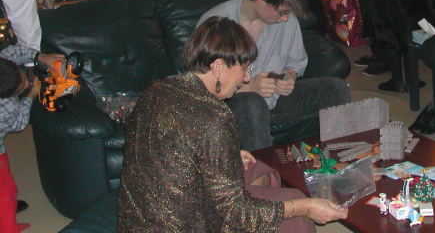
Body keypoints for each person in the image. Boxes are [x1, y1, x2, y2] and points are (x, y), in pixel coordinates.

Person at [118, 16, 348, 233]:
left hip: (137, 221)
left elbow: (166, 147)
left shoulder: (156, 90)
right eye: (244, 68)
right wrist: (306, 206)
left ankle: (264, 206)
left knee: (259, 167)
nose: (247, 78)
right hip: (186, 225)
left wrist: (220, 154)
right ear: (218, 67)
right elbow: (237, 213)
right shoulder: (215, 118)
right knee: (294, 202)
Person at [197, 0, 350, 151]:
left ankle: (339, 158)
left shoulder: (287, 19)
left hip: (276, 99)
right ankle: (263, 168)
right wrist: (249, 87)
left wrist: (289, 76)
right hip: (234, 103)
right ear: (261, 1)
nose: (286, 18)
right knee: (253, 103)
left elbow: (295, 62)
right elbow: (202, 85)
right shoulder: (216, 24)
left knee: (336, 89)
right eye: (282, 12)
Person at [0, 44, 63, 232]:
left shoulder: (3, 62)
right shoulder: (7, 107)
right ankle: (8, 227)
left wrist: (42, 57)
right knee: (6, 193)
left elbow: (16, 51)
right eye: (22, 86)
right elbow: (19, 124)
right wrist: (30, 96)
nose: (27, 83)